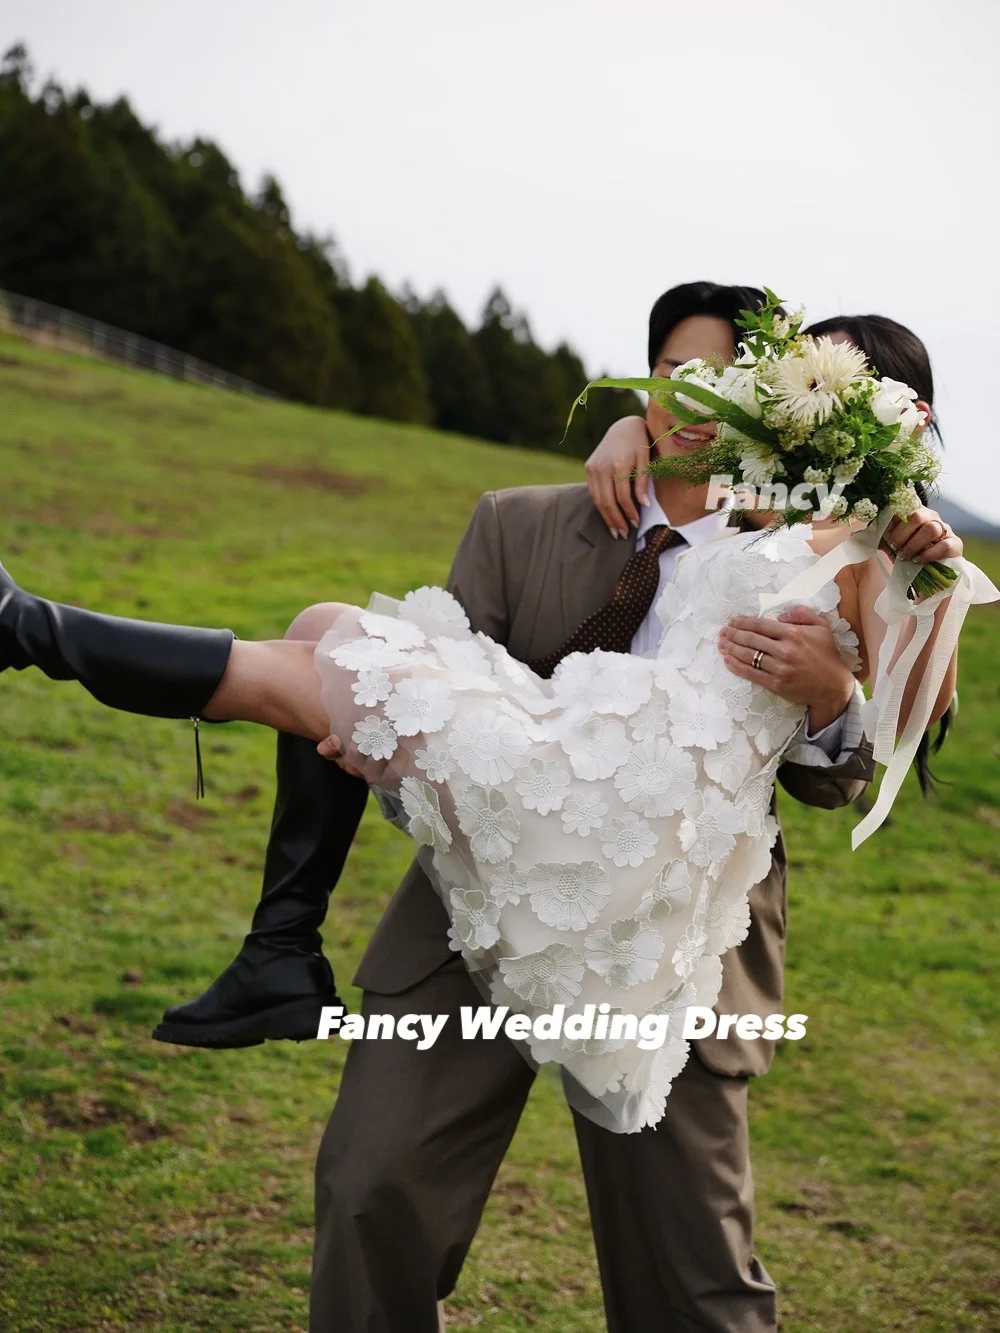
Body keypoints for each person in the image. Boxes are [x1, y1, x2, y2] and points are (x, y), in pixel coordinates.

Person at [2, 285, 977, 1331]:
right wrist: (635, 432)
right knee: (372, 1189)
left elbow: (877, 741)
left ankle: (37, 638)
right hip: (502, 850)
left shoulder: (818, 536)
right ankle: (261, 921)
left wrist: (834, 692)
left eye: (769, 388)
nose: (742, 404)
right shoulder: (538, 516)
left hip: (666, 914)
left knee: (689, 1279)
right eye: (689, 380)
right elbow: (463, 662)